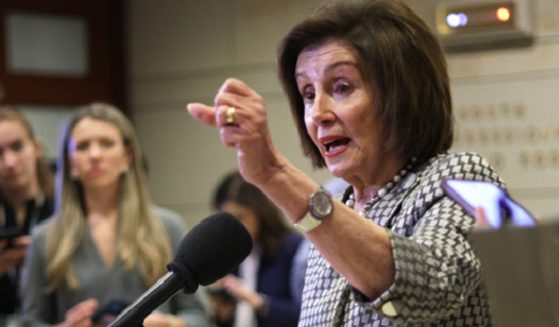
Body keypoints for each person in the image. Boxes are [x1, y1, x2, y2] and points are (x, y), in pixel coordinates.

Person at [186, 0, 505, 325]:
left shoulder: (461, 178)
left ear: (401, 94)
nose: (317, 113)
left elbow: (428, 292)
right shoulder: (333, 215)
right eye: (308, 93)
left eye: (341, 87)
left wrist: (275, 174)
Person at [20, 103, 211, 327]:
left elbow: (200, 317)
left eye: (106, 143)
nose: (95, 155)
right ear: (70, 163)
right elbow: (31, 321)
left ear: (127, 156)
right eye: (82, 146)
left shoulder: (168, 227)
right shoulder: (45, 238)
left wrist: (168, 324)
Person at [209, 171, 307, 327]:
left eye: (240, 217)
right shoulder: (227, 253)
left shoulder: (292, 247)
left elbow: (307, 317)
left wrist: (257, 301)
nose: (232, 227)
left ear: (260, 213)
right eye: (226, 219)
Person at [0, 106, 55, 322]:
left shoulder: (66, 211)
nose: (9, 163)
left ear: (36, 147)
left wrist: (41, 262)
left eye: (17, 147)